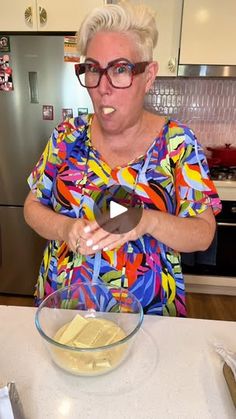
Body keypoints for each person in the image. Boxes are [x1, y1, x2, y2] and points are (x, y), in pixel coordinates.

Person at [24, 1, 221, 316]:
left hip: (149, 317)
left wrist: (148, 221)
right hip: (63, 312)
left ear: (149, 75)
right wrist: (65, 229)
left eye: (120, 69)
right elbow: (31, 207)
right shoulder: (66, 137)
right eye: (93, 69)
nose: (103, 88)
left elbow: (203, 232)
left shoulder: (178, 144)